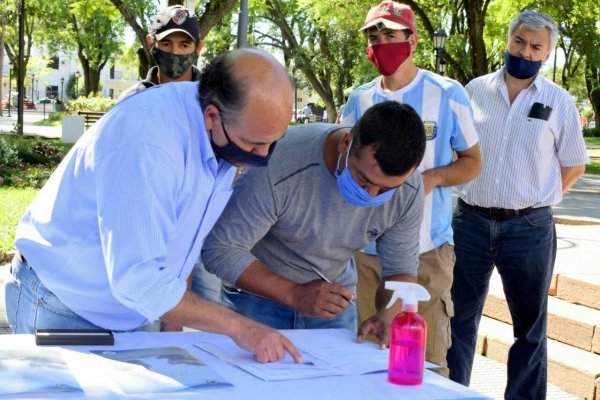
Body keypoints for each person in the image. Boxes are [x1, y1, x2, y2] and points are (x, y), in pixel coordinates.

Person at [5, 48, 304, 364]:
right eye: (253, 145)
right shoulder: (148, 142)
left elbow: (186, 235)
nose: (262, 156)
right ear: (212, 116)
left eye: (274, 142)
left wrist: (172, 325)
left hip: (130, 310)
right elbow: (138, 278)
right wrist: (240, 327)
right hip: (63, 304)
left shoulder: (226, 130)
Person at [446, 11, 589, 399]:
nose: (525, 51)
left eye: (536, 47)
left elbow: (575, 162)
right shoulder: (472, 90)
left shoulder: (558, 102)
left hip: (529, 230)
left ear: (547, 54)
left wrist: (538, 198)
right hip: (470, 224)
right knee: (457, 319)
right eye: (519, 42)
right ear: (508, 41)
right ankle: (451, 392)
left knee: (529, 328)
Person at [202, 101, 425, 340]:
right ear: (346, 143)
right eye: (363, 180)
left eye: (386, 190)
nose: (371, 196)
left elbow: (400, 271)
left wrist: (388, 315)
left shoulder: (408, 190)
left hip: (333, 308)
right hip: (256, 302)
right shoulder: (280, 163)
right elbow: (220, 250)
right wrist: (294, 293)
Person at [341, 0, 480, 377]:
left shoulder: (448, 94)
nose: (381, 43)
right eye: (374, 36)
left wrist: (430, 179)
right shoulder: (359, 99)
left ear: (413, 40)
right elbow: (343, 163)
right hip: (365, 254)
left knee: (425, 365)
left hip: (426, 253)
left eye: (390, 35)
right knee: (363, 362)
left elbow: (473, 161)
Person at [117, 5, 204, 100]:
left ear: (198, 47)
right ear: (150, 43)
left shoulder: (214, 100)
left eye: (184, 45)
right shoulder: (131, 100)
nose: (175, 52)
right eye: (166, 44)